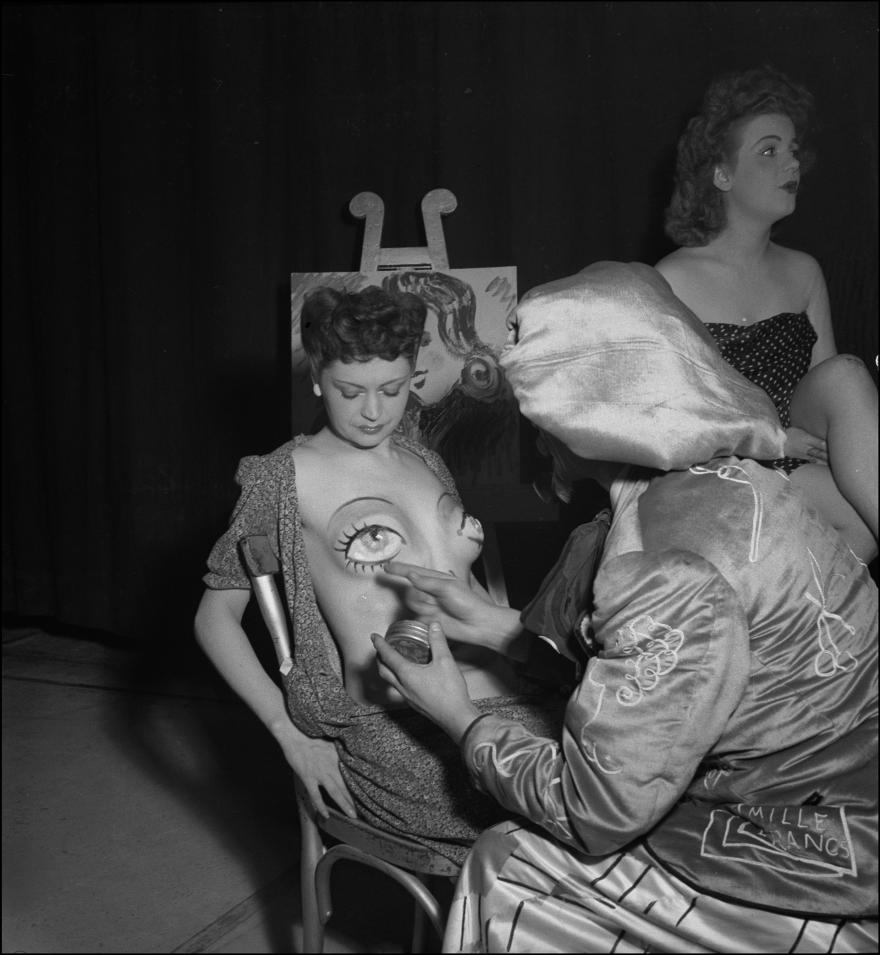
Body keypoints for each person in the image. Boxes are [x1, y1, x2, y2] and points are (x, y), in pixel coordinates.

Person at [373, 261, 878, 952]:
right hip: (848, 798)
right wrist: (499, 629)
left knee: (504, 865)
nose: (535, 430)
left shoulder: (658, 566)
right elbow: (681, 676)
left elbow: (593, 808)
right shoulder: (741, 481)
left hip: (814, 862)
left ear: (589, 411)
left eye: (541, 410)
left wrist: (458, 714)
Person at [193, 284, 566, 864]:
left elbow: (461, 589)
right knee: (574, 834)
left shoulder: (424, 461)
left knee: (626, 786)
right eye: (350, 391)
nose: (373, 411)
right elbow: (215, 618)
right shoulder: (284, 476)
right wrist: (291, 736)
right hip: (400, 732)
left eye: (392, 389)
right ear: (317, 379)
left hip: (509, 700)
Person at [655, 65, 878, 564]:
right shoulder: (673, 279)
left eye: (794, 150)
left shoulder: (804, 271)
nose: (791, 164)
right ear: (722, 174)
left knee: (846, 374)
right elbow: (668, 418)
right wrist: (772, 441)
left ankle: (799, 625)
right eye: (769, 151)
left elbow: (838, 403)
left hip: (800, 457)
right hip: (718, 463)